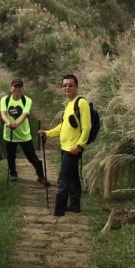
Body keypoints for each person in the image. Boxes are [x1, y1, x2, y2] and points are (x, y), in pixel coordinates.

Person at [39, 74, 91, 216]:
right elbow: (64, 126)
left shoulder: (81, 103)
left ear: (77, 87)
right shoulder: (69, 104)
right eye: (65, 85)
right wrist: (48, 133)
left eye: (70, 85)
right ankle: (74, 205)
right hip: (65, 148)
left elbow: (87, 127)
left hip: (72, 149)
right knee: (73, 178)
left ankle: (59, 211)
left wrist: (79, 145)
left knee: (63, 180)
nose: (67, 88)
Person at [0, 79, 47, 184]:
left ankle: (41, 176)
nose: (17, 89)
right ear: (10, 88)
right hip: (9, 134)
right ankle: (13, 173)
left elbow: (24, 114)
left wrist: (16, 124)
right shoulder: (5, 100)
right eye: (15, 86)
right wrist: (8, 123)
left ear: (22, 88)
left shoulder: (27, 100)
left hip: (24, 135)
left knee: (32, 157)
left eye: (19, 87)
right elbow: (3, 114)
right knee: (11, 156)